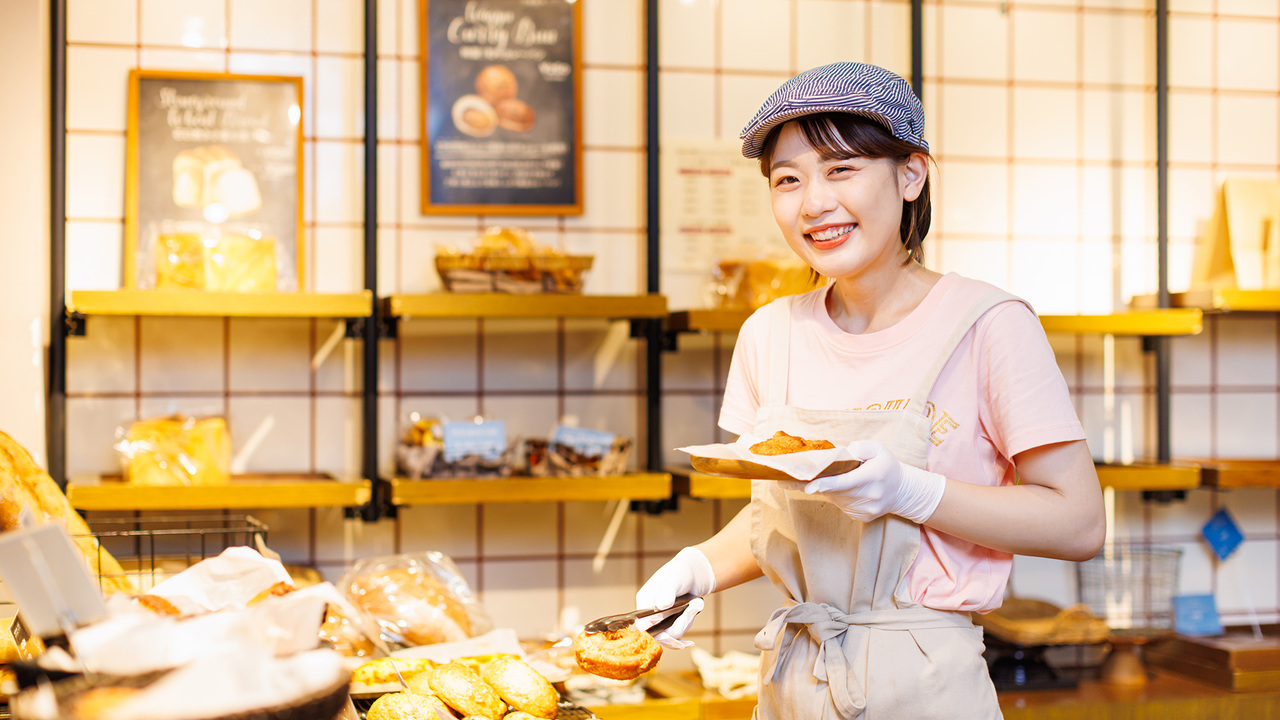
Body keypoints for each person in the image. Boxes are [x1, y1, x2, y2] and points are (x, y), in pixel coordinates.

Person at [634, 62, 1106, 719]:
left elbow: (1079, 521)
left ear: (911, 175)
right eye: (787, 180)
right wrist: (699, 568)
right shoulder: (769, 335)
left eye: (840, 169)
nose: (813, 203)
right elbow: (788, 512)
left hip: (928, 687)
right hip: (796, 684)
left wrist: (912, 491)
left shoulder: (989, 325)